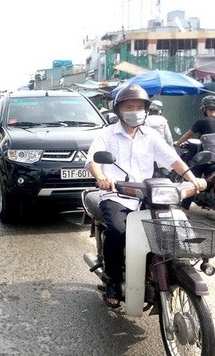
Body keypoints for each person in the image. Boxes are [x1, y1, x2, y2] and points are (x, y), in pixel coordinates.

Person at [86, 84, 206, 308]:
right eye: (129, 106)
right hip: (116, 196)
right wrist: (101, 176)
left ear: (146, 110)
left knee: (168, 230)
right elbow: (93, 160)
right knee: (119, 232)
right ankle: (112, 280)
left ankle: (154, 271)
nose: (134, 111)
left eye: (139, 107)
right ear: (119, 110)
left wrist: (191, 178)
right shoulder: (107, 134)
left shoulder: (151, 135)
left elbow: (172, 159)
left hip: (147, 196)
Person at [173, 95, 215, 211]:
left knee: (192, 178)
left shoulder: (202, 122)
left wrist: (178, 143)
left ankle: (184, 210)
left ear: (205, 108)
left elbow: (188, 135)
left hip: (210, 159)